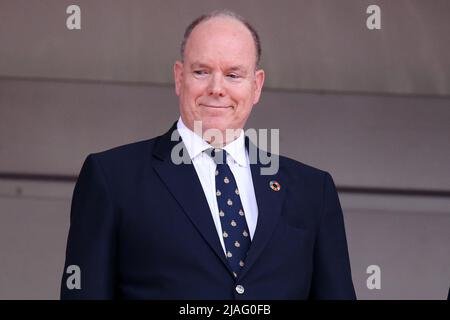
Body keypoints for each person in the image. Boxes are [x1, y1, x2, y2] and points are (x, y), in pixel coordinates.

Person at [60, 10, 356, 299]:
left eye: (233, 75)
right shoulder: (112, 178)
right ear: (179, 77)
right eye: (202, 72)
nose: (217, 88)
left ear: (257, 85)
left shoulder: (312, 190)